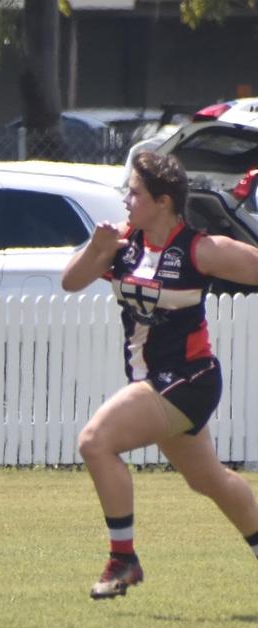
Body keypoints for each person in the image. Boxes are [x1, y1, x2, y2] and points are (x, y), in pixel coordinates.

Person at [62, 150, 258, 600]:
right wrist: (96, 249)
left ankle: (123, 559)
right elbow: (70, 282)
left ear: (164, 202)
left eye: (135, 192)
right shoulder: (123, 244)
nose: (126, 200)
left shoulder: (200, 248)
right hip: (154, 382)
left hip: (190, 378)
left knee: (96, 441)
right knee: (208, 480)